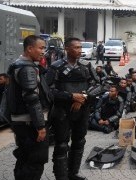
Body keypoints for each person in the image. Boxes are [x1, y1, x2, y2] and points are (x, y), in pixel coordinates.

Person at [46, 37, 99, 180]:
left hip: (82, 109)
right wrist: (71, 97)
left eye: (81, 48)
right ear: (67, 49)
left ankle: (73, 173)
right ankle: (61, 176)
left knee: (79, 141)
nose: (80, 50)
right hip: (62, 111)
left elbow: (99, 85)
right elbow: (48, 91)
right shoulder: (56, 67)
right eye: (76, 47)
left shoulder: (86, 66)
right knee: (62, 144)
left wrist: (83, 97)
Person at [7, 35, 52, 180]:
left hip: (22, 122)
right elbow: (32, 99)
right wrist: (40, 126)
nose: (43, 51)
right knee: (35, 161)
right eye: (41, 48)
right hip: (29, 123)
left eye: (44, 48)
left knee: (24, 158)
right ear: (29, 48)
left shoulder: (19, 64)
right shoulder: (27, 69)